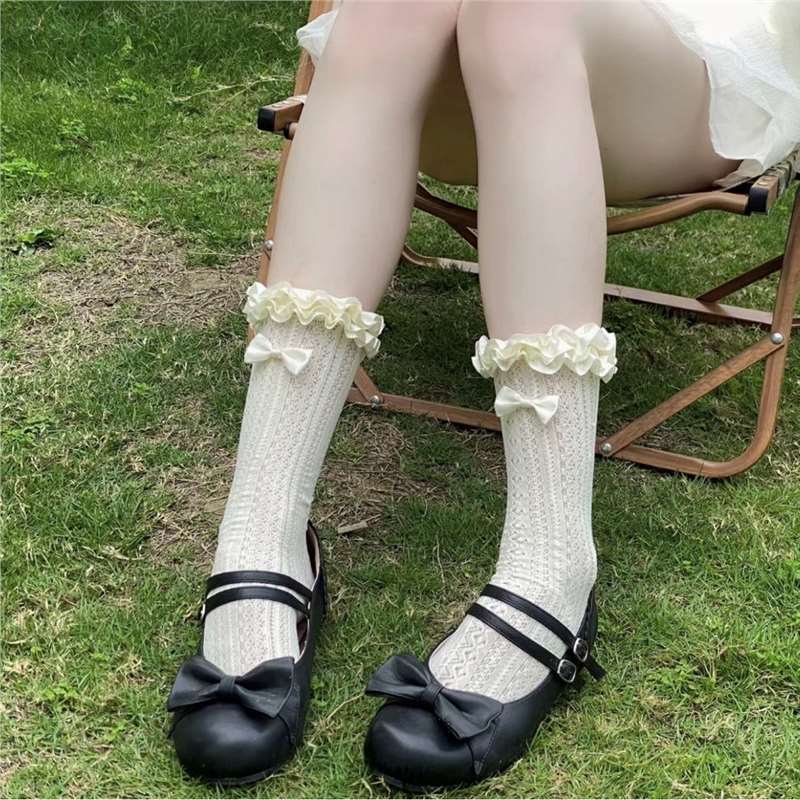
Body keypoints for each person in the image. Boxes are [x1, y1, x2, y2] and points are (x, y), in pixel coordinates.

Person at [164, 0, 800, 790]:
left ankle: (552, 565)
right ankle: (261, 530)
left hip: (687, 70)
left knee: (521, 9)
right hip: (440, 67)